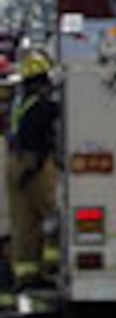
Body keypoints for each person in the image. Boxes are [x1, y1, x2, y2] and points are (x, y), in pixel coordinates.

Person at [7, 49, 60, 290]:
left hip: (16, 164)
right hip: (33, 165)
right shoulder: (42, 107)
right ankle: (51, 266)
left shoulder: (22, 105)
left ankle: (27, 274)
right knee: (52, 216)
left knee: (24, 222)